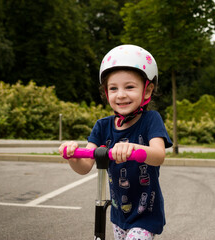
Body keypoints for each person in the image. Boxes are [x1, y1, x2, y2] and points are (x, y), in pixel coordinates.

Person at [59, 44, 172, 240]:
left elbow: (158, 155)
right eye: (113, 88)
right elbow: (85, 166)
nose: (120, 94)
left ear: (147, 90)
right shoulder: (102, 127)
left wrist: (134, 148)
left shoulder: (151, 120)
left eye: (129, 87)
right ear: (106, 91)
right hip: (119, 213)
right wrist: (72, 155)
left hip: (146, 213)